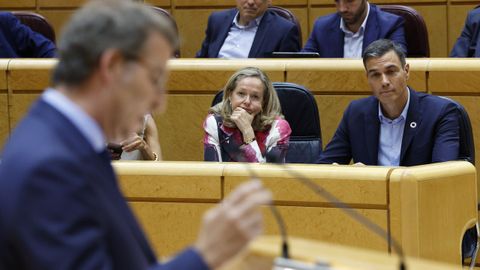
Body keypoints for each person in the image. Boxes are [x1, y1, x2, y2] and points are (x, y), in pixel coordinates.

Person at [0, 1, 272, 270]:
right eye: (154, 79)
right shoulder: (48, 168)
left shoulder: (68, 140)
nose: (159, 102)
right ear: (113, 67)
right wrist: (205, 255)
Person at [317, 39, 460, 166]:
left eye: (391, 72)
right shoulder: (356, 113)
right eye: (375, 75)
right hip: (370, 196)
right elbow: (324, 166)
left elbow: (442, 175)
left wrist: (373, 178)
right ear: (368, 78)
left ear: (406, 71)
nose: (384, 82)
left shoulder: (440, 113)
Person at [204, 67, 291, 162]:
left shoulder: (278, 128)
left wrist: (247, 132)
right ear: (230, 95)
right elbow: (213, 173)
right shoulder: (215, 123)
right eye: (241, 94)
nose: (247, 101)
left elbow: (266, 176)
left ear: (264, 102)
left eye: (255, 97)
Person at [196, 0, 301, 58]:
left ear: (269, 1)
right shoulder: (217, 21)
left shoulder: (284, 30)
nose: (250, 2)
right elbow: (201, 60)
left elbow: (287, 76)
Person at [302, 0, 406, 58]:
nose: (342, 8)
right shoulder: (322, 27)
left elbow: (396, 66)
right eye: (337, 1)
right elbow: (301, 65)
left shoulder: (391, 25)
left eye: (349, 1)